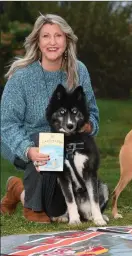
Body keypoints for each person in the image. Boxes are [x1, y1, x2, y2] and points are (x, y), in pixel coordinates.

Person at [0, 14, 99, 223]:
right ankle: (33, 207)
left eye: (58, 36)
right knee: (46, 140)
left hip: (66, 143)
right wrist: (28, 150)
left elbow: (93, 112)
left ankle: (17, 189)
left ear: (67, 40)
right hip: (26, 140)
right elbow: (7, 124)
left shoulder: (79, 70)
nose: (52, 42)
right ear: (37, 41)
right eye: (46, 36)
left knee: (59, 209)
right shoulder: (22, 76)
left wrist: (89, 126)